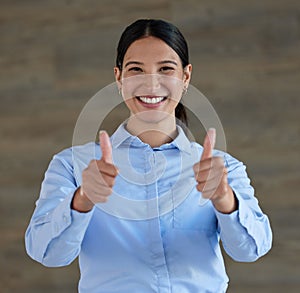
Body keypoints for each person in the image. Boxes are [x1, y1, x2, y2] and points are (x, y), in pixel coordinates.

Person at [25, 19, 272, 293]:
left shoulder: (223, 168)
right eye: (136, 70)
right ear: (118, 77)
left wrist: (225, 200)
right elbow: (46, 254)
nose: (151, 83)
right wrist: (82, 201)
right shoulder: (72, 165)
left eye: (166, 69)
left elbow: (251, 250)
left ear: (185, 77)